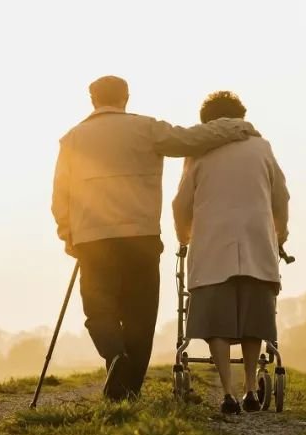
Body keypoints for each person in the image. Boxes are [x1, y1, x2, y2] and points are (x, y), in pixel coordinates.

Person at [52, 75, 259, 400]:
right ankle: (128, 391)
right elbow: (194, 139)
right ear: (126, 97)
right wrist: (237, 127)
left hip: (93, 238)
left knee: (98, 309)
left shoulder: (72, 140)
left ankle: (114, 355)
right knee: (141, 315)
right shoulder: (146, 129)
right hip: (141, 237)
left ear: (92, 98)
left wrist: (68, 234)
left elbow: (60, 196)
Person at [172, 90, 289, 414]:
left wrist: (184, 237)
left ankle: (227, 392)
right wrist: (281, 233)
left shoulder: (199, 151)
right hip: (256, 243)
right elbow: (281, 196)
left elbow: (181, 203)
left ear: (206, 122)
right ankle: (252, 387)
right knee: (254, 321)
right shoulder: (261, 147)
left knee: (217, 323)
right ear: (242, 115)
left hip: (213, 246)